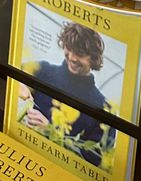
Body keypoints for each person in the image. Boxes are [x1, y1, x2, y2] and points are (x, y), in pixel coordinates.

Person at [22, 21, 113, 167]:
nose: (71, 57)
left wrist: (51, 132)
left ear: (94, 58)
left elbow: (95, 164)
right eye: (69, 48)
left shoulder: (104, 108)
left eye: (80, 53)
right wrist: (18, 85)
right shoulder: (41, 70)